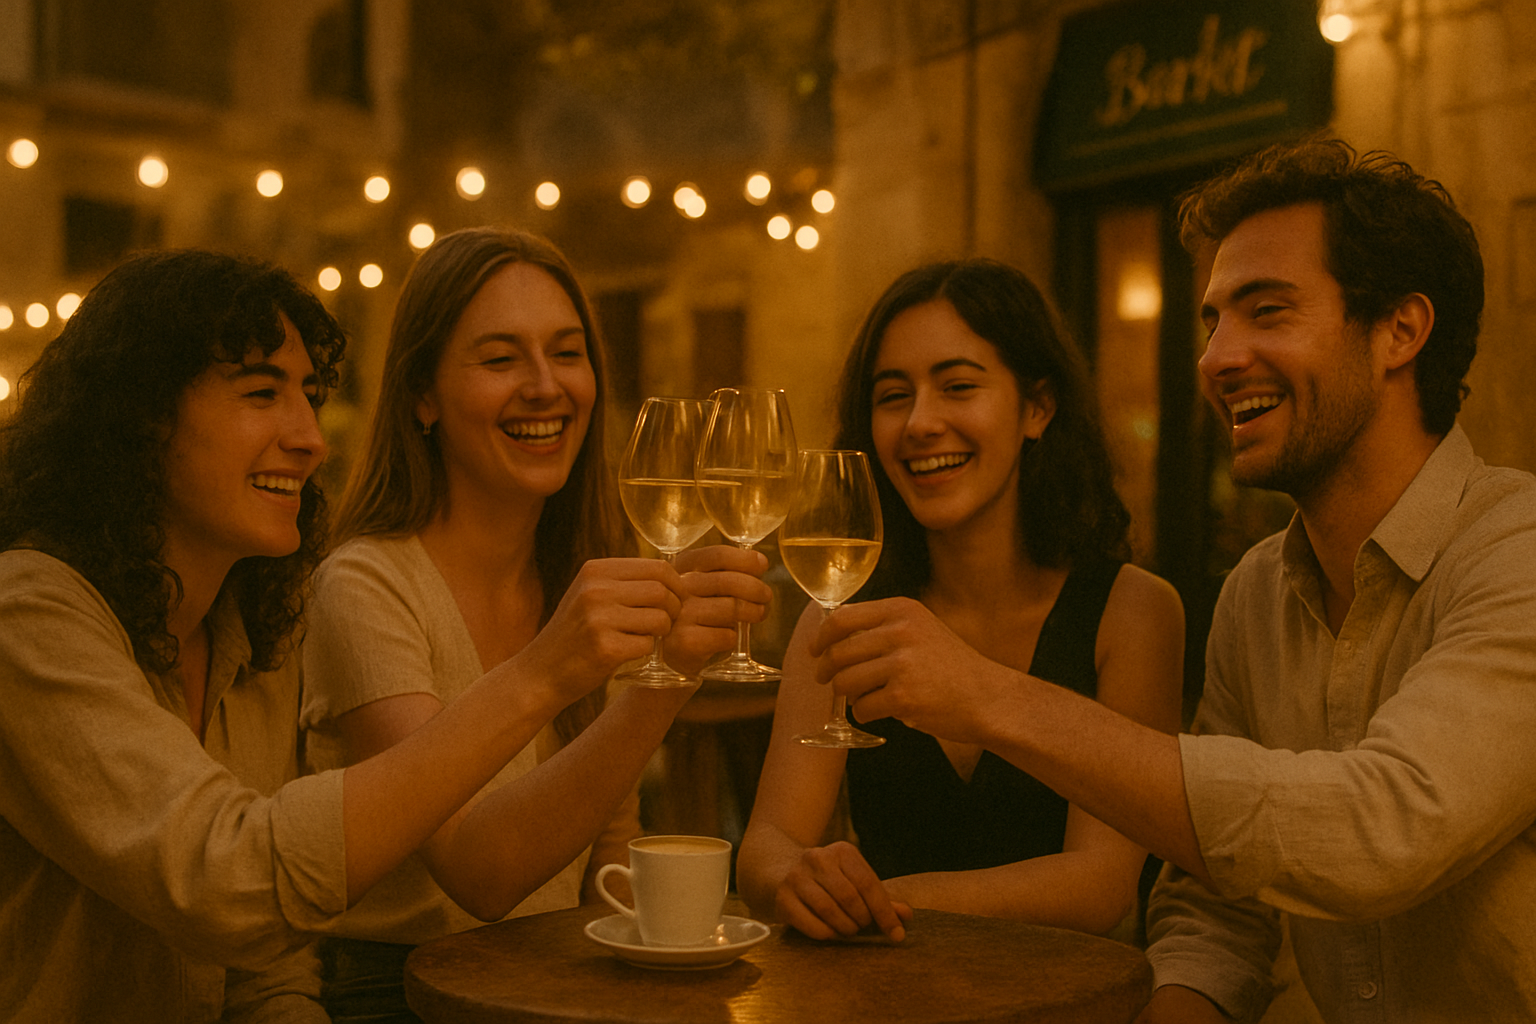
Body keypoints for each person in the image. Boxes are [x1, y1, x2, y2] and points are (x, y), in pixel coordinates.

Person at [815, 138, 1536, 1022]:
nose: (1217, 358)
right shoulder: (1256, 593)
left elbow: (1380, 829)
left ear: (1400, 331)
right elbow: (1215, 909)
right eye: (1213, 322)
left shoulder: (1515, 553)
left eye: (1267, 312)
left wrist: (990, 698)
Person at [0, 249, 703, 1022]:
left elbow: (267, 977)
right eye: (262, 393)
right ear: (140, 417)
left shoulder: (253, 631)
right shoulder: (29, 616)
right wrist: (547, 675)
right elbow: (233, 884)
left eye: (309, 397)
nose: (311, 439)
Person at [300, 226, 771, 1021]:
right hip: (399, 996)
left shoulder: (580, 574)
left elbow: (609, 856)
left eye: (567, 353)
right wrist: (660, 683)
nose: (546, 386)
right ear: (421, 395)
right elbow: (480, 877)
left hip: (551, 985)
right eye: (501, 359)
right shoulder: (364, 586)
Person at [735, 258, 1184, 942]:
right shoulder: (842, 617)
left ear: (1037, 408)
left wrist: (879, 902)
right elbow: (767, 845)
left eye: (958, 387)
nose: (920, 423)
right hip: (884, 991)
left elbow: (1100, 885)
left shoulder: (1133, 612)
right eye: (893, 396)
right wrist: (797, 878)